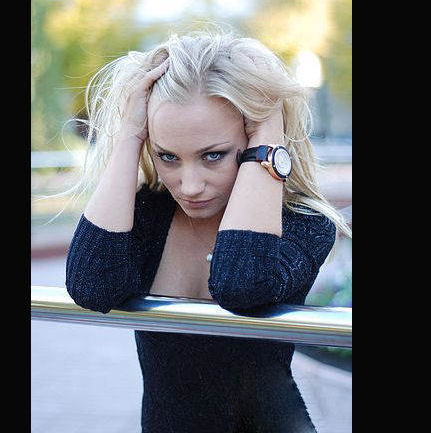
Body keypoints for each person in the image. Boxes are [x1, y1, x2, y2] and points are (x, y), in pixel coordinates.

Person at [65, 27, 351, 432]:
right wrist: (129, 135)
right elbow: (90, 286)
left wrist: (269, 127)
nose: (190, 185)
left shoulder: (305, 222)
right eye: (168, 156)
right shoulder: (147, 215)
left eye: (213, 155)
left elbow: (240, 285)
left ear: (253, 139)